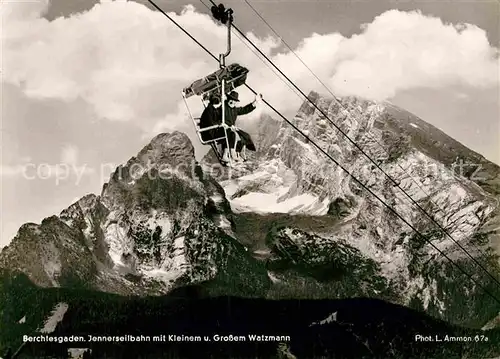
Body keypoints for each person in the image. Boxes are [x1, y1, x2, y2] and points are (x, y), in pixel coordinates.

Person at [220, 91, 262, 163]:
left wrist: (255, 102)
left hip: (231, 128)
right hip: (223, 128)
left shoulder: (235, 110)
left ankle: (238, 153)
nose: (232, 102)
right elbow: (218, 118)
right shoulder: (223, 107)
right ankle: (229, 154)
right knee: (233, 134)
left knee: (245, 136)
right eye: (231, 99)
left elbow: (245, 109)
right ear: (228, 99)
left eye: (234, 100)